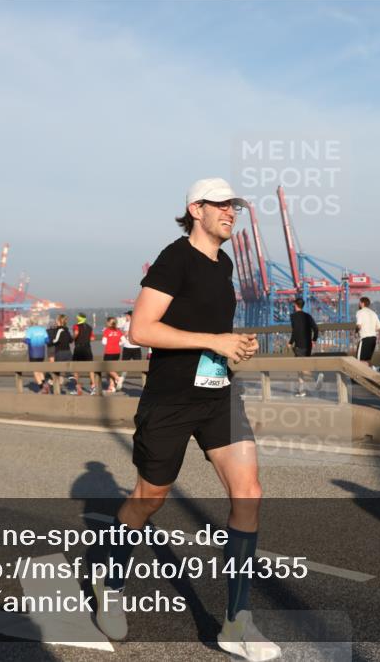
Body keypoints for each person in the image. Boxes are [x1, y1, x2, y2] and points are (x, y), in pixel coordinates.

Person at [91, 177, 276, 660]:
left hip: (217, 396)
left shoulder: (224, 263)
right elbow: (141, 329)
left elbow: (211, 328)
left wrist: (234, 345)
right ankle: (110, 581)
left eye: (234, 206)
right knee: (149, 499)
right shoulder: (174, 259)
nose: (231, 212)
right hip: (171, 401)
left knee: (249, 492)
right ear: (196, 209)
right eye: (221, 205)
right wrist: (214, 341)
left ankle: (236, 622)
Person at [288, 298, 322, 397]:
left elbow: (295, 331)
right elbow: (316, 328)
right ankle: (302, 391)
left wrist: (290, 342)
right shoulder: (308, 316)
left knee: (301, 367)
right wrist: (314, 340)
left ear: (295, 305)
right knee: (300, 368)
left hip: (299, 345)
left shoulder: (293, 316)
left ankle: (316, 377)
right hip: (308, 345)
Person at [46, 314, 73, 394]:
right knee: (68, 371)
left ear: (59, 321)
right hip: (68, 352)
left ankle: (55, 387)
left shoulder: (59, 330)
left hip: (60, 352)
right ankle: (72, 388)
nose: (56, 322)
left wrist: (49, 342)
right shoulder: (67, 330)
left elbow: (55, 340)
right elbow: (71, 340)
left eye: (57, 320)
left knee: (57, 371)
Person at [71, 312, 96, 395]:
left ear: (79, 318)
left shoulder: (76, 326)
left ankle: (78, 388)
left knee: (75, 368)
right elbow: (92, 338)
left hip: (78, 348)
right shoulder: (89, 327)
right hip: (87, 348)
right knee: (90, 368)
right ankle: (93, 387)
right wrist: (86, 338)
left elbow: (76, 333)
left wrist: (72, 338)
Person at [354, 296, 380, 370]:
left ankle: (372, 369)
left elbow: (359, 325)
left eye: (359, 302)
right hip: (373, 338)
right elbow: (379, 328)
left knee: (359, 360)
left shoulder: (360, 312)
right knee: (367, 359)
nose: (359, 304)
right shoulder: (373, 313)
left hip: (365, 338)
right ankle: (373, 369)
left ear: (362, 303)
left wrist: (355, 332)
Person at [118, 310, 141, 391]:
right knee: (139, 366)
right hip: (133, 347)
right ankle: (120, 381)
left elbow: (126, 333)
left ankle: (120, 381)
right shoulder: (134, 323)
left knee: (126, 366)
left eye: (127, 315)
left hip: (131, 347)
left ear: (130, 316)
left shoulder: (130, 323)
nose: (125, 317)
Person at [23, 323, 50, 391]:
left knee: (35, 371)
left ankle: (42, 387)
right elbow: (47, 340)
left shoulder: (30, 330)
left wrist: (24, 340)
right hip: (41, 353)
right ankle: (44, 383)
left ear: (31, 324)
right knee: (40, 369)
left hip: (33, 353)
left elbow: (27, 341)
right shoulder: (43, 329)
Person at [101, 316, 123, 392]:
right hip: (117, 352)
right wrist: (117, 344)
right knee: (112, 369)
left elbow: (104, 342)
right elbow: (123, 341)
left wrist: (110, 342)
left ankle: (118, 378)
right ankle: (111, 386)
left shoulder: (106, 331)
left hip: (109, 352)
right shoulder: (118, 331)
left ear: (108, 323)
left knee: (107, 368)